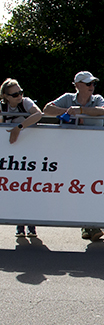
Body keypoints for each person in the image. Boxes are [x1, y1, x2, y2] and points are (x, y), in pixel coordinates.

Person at [43, 71, 104, 242]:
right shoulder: (67, 98)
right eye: (88, 84)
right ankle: (88, 224)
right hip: (71, 153)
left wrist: (80, 111)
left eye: (93, 84)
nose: (92, 87)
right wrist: (68, 111)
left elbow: (103, 111)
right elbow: (47, 109)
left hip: (94, 152)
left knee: (94, 187)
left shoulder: (98, 99)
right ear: (78, 85)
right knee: (79, 187)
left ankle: (90, 224)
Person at [1, 78, 43, 237]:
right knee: (15, 190)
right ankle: (19, 225)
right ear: (6, 96)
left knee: (30, 189)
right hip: (11, 157)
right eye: (15, 94)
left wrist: (18, 128)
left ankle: (31, 225)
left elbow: (38, 114)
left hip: (30, 155)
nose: (19, 96)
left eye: (21, 92)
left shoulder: (25, 102)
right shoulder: (2, 107)